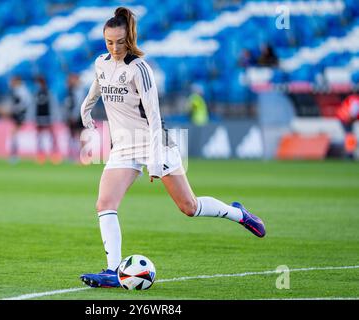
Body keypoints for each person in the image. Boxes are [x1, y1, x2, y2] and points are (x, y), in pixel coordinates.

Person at [79, 7, 266, 288]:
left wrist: (154, 160)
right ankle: (112, 270)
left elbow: (154, 116)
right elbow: (98, 85)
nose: (114, 48)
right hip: (123, 146)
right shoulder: (101, 63)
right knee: (104, 203)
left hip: (154, 142)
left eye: (119, 42)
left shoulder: (140, 69)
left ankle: (237, 213)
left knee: (189, 207)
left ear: (128, 38)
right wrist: (86, 108)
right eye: (109, 42)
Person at [33, 76, 60, 164]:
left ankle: (54, 154)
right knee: (39, 137)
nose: (36, 85)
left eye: (38, 83)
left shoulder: (48, 92)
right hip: (39, 117)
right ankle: (41, 155)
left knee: (52, 136)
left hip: (48, 117)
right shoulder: (36, 93)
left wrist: (54, 117)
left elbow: (53, 105)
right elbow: (34, 106)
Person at [8, 76, 33, 162]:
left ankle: (14, 154)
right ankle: (14, 154)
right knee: (14, 134)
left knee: (14, 133)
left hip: (20, 115)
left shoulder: (22, 91)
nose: (11, 83)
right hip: (17, 114)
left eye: (13, 81)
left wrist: (16, 109)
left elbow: (26, 103)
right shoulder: (17, 90)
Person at [64, 73, 86, 162]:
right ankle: (74, 155)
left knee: (80, 136)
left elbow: (79, 104)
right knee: (72, 135)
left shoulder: (79, 90)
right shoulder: (71, 90)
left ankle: (82, 156)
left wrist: (74, 115)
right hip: (72, 116)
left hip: (78, 116)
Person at [336, 94, 359, 159]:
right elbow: (353, 113)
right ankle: (349, 154)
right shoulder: (356, 100)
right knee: (350, 136)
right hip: (346, 119)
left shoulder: (353, 98)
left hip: (344, 117)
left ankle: (349, 153)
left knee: (349, 135)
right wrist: (352, 119)